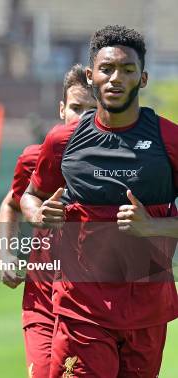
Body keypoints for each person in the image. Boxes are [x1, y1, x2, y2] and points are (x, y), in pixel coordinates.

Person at [20, 25, 178, 377]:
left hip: (147, 309)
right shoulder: (63, 140)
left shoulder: (169, 140)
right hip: (81, 309)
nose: (115, 78)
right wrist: (40, 214)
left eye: (127, 70)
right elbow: (31, 197)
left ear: (144, 77)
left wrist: (151, 226)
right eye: (106, 69)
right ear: (91, 76)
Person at [0, 64, 95, 377]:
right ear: (62, 109)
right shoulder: (35, 158)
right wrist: (5, 253)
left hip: (93, 305)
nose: (82, 119)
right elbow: (11, 204)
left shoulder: (119, 166)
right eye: (76, 108)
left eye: (92, 111)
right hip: (42, 301)